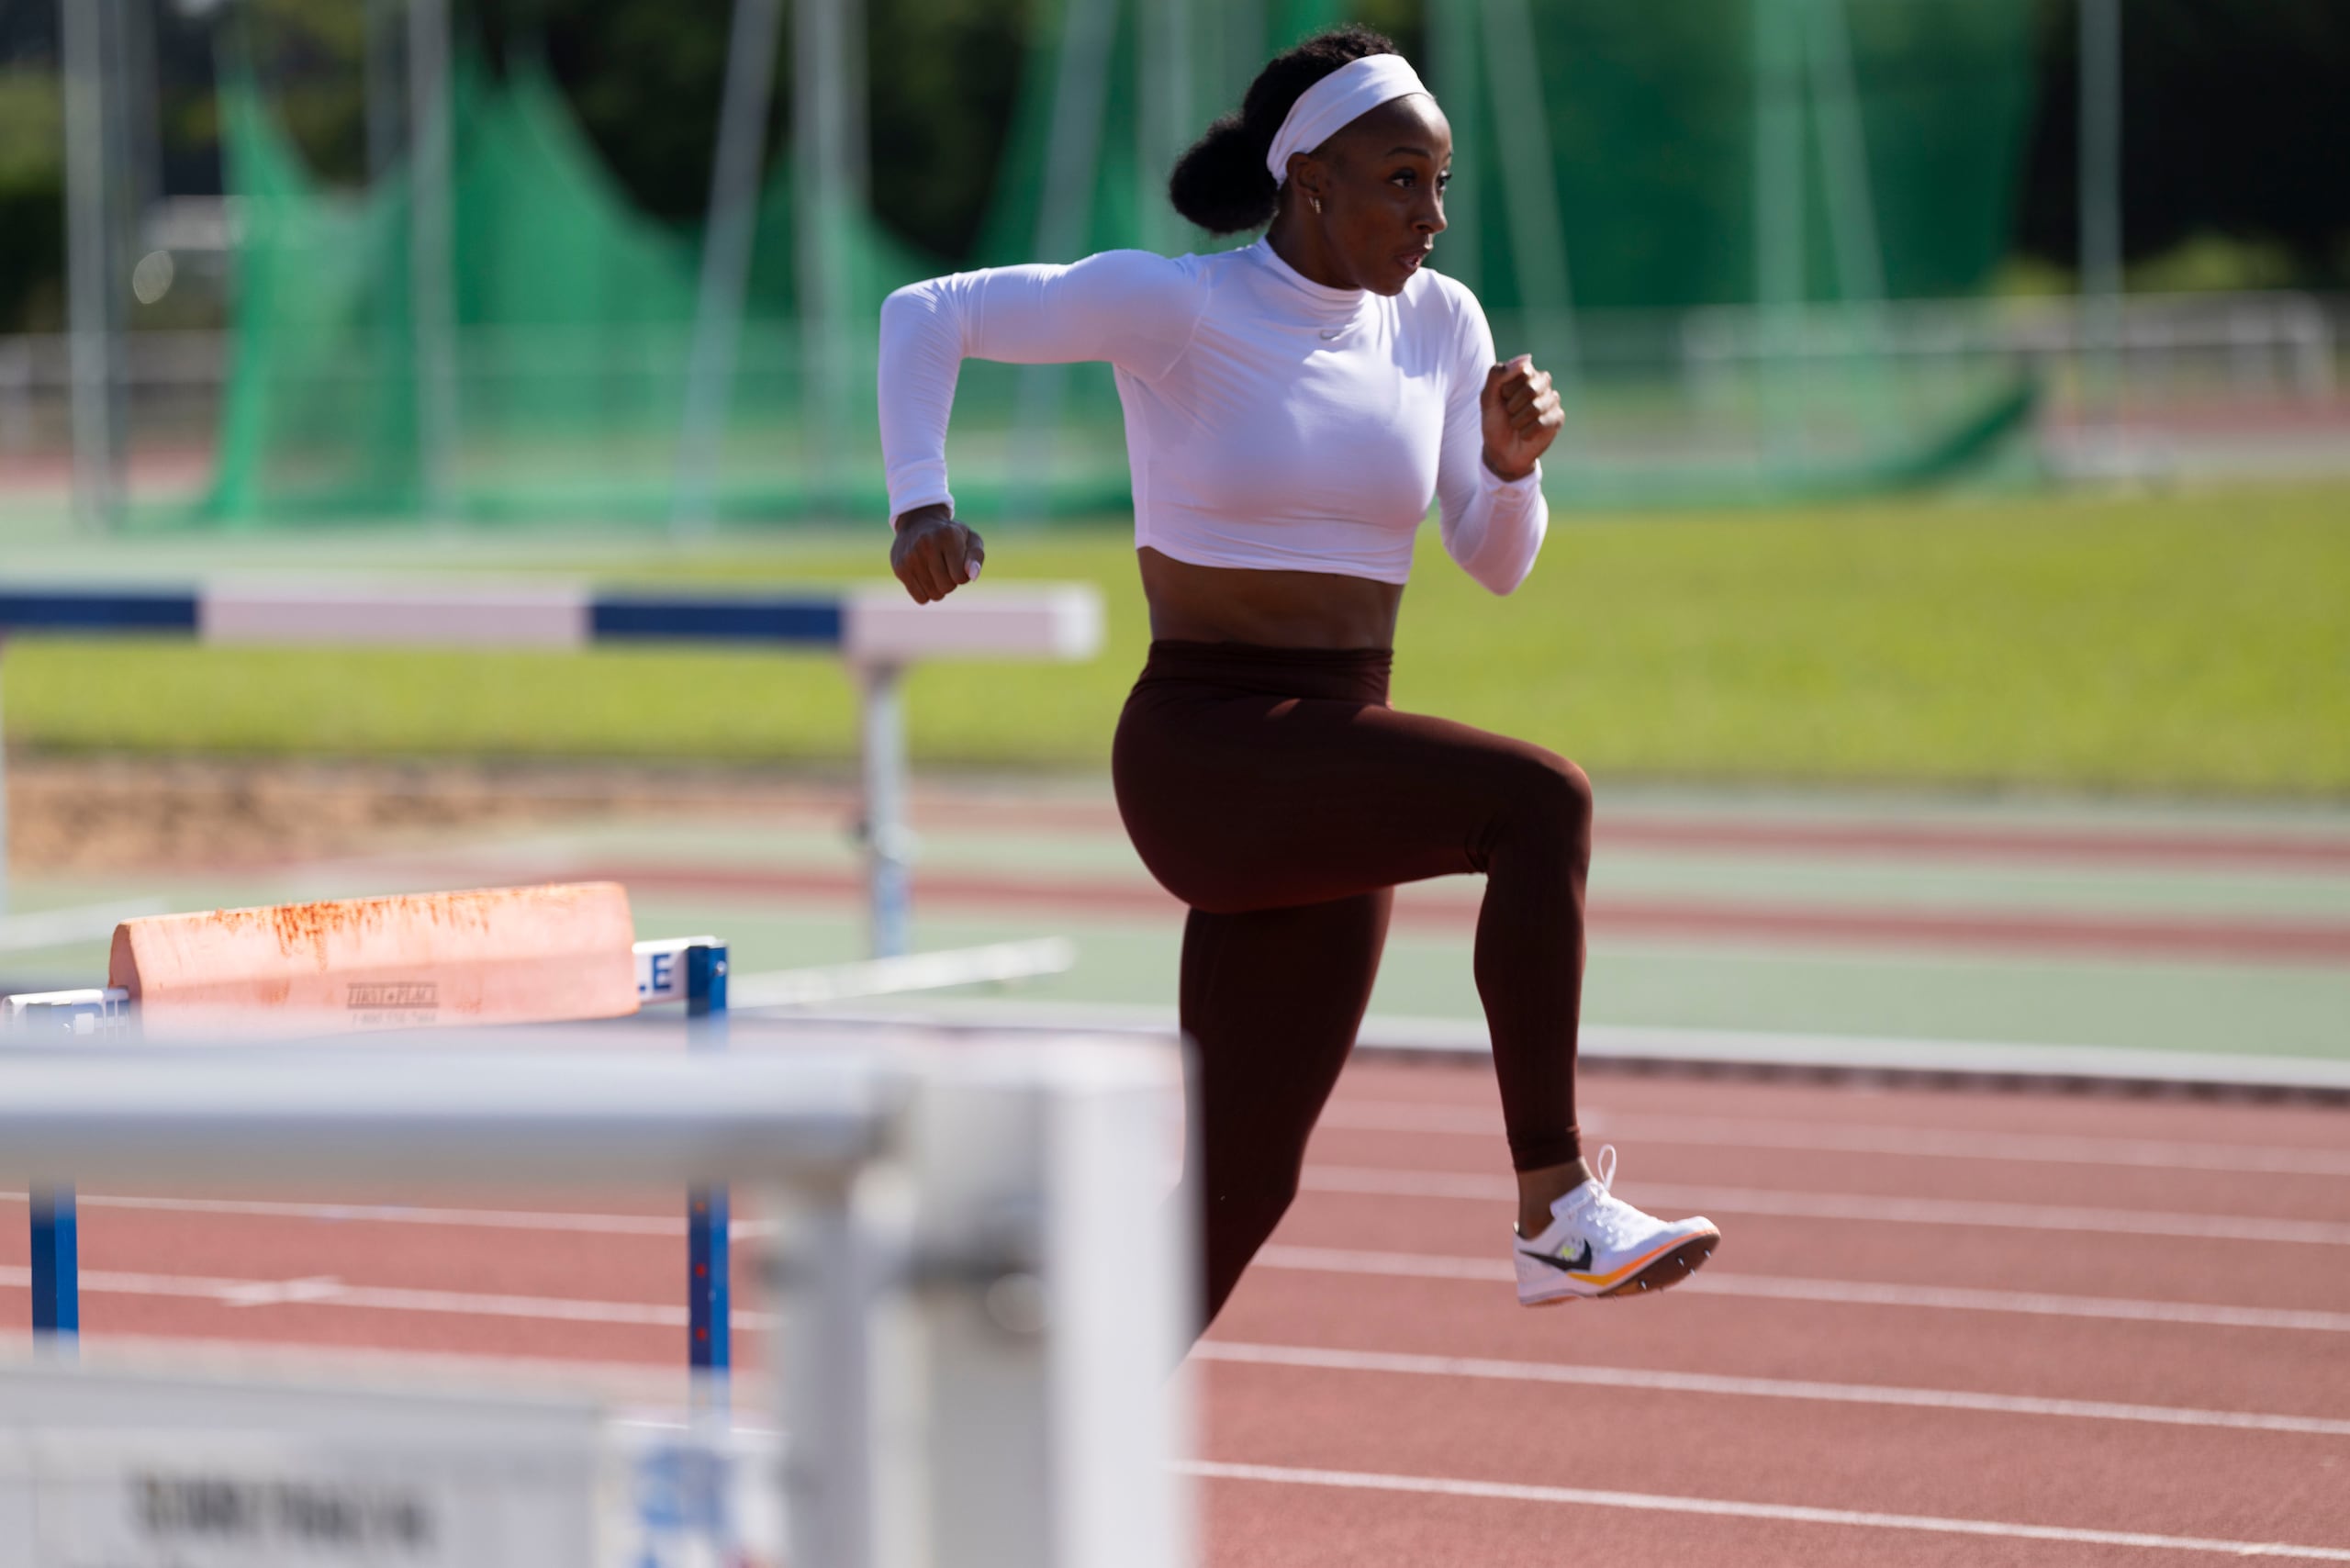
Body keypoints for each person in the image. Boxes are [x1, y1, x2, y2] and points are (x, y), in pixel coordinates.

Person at [877, 25, 1719, 1329]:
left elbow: (1493, 563)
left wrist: (1506, 466)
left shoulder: (1441, 326)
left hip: (1329, 763)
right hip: (1206, 753)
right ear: (1310, 179)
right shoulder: (1184, 303)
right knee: (1538, 804)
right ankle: (1555, 1213)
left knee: (1237, 1191)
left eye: (1441, 184)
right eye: (1400, 180)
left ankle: (1010, 1473)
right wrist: (920, 505)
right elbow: (927, 316)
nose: (1431, 216)